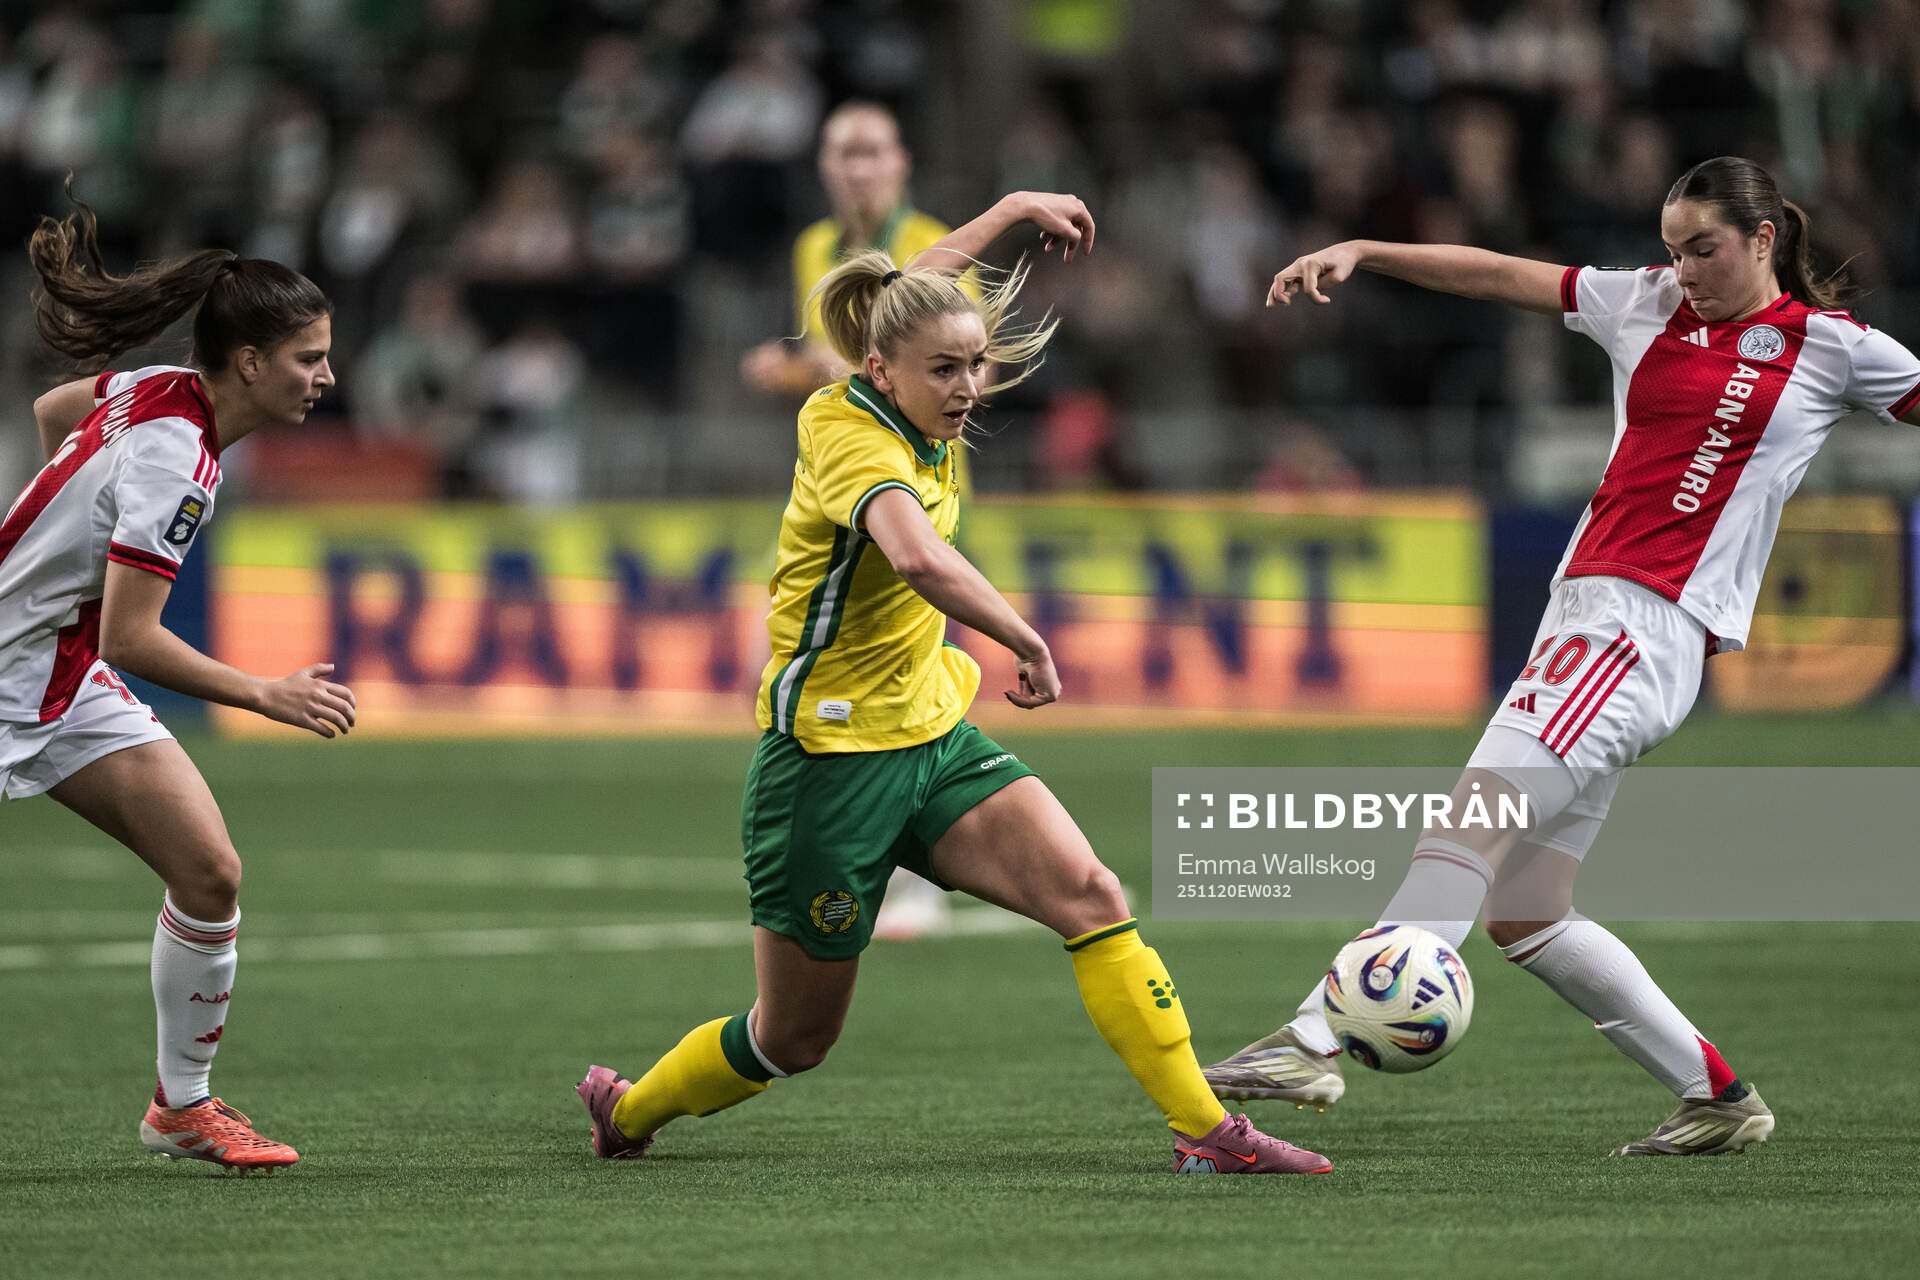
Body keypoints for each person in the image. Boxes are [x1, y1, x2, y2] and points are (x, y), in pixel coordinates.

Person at [579, 190, 1330, 1176]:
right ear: (879, 368)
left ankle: (1207, 1129)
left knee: (1093, 891)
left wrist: (1015, 206)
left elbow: (923, 280)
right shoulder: (848, 432)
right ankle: (630, 1110)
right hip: (827, 765)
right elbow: (918, 557)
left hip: (932, 738)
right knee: (792, 1038)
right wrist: (1024, 635)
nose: (969, 384)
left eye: (975, 362)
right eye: (946, 368)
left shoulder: (912, 366)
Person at [1203, 156, 1920, 1156]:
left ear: (1763, 240)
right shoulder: (1645, 303)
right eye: (1673, 247)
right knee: (1525, 910)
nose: (1685, 268)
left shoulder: (1837, 349)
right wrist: (1367, 249)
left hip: (1638, 625)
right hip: (1590, 622)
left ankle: (1314, 1035)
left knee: (1471, 817)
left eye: (1704, 247)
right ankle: (1715, 1097)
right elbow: (1501, 274)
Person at [0, 193, 356, 1171]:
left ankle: (182, 1106)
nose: (326, 375)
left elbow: (55, 408)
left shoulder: (159, 390)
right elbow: (131, 637)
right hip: (19, 671)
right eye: (308, 357)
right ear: (249, 362)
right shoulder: (181, 462)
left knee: (209, 871)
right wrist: (264, 693)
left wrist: (58, 542)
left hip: (56, 673)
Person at [742, 99, 973, 941]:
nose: (858, 168)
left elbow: (898, 362)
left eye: (872, 152)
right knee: (846, 662)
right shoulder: (814, 247)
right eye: (844, 153)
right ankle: (896, 850)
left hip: (915, 489)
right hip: (847, 484)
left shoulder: (936, 243)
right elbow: (845, 377)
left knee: (916, 668)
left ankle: (917, 860)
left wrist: (793, 365)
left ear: (901, 162)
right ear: (824, 166)